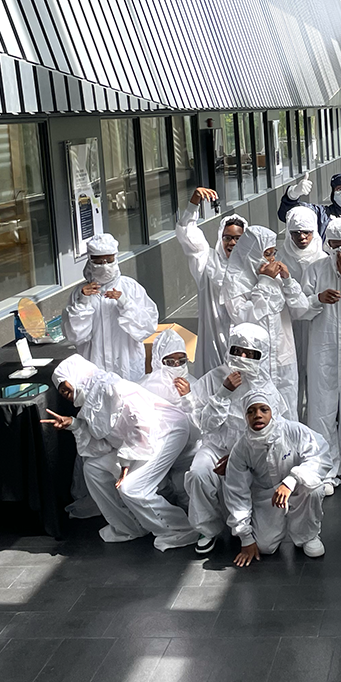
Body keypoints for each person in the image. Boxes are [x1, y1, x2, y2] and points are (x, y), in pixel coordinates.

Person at [45, 355, 199, 551]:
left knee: (132, 488)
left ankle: (180, 529)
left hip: (166, 431)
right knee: (93, 468)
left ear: (77, 376)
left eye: (66, 386)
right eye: (61, 391)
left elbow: (143, 424)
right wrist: (74, 424)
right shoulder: (90, 402)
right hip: (140, 441)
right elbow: (102, 442)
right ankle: (130, 526)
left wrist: (126, 462)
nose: (65, 393)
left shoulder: (114, 388)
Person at [183, 323, 289, 554]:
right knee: (199, 473)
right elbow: (204, 424)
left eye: (249, 353)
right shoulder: (215, 377)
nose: (242, 357)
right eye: (238, 350)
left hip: (253, 453)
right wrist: (223, 392)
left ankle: (249, 521)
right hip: (216, 447)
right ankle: (208, 528)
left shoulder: (265, 385)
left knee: (267, 544)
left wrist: (237, 457)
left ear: (260, 355)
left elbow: (274, 430)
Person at [296, 218, 341, 492]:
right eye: (335, 246)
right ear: (326, 244)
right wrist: (317, 299)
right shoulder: (314, 270)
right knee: (321, 407)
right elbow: (300, 308)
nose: (340, 253)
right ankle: (323, 466)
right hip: (321, 352)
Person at [226, 389, 331, 566]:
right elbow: (236, 492)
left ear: (273, 411)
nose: (257, 415)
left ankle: (308, 534)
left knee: (314, 487)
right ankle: (279, 523)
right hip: (267, 496)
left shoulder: (293, 430)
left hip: (297, 487)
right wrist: (245, 537)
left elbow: (320, 457)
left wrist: (291, 480)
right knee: (265, 547)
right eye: (251, 411)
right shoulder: (242, 447)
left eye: (263, 409)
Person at [221, 225, 310, 416]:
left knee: (287, 412)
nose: (271, 259)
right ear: (252, 253)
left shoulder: (276, 278)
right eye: (267, 253)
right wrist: (265, 282)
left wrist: (287, 281)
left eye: (273, 253)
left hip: (283, 357)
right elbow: (247, 319)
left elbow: (301, 309)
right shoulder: (235, 283)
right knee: (259, 412)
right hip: (255, 362)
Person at [61, 233, 159, 380]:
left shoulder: (130, 287)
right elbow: (75, 335)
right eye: (98, 261)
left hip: (127, 366)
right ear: (90, 261)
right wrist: (83, 302)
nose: (104, 266)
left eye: (109, 260)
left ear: (116, 258)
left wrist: (125, 303)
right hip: (94, 365)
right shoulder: (80, 293)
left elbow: (147, 327)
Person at [175, 187, 247, 377]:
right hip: (213, 345)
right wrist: (194, 203)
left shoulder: (252, 268)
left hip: (243, 347)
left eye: (238, 238)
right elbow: (187, 234)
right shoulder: (207, 264)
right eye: (227, 238)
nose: (232, 243)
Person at [137, 328, 201, 508]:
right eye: (170, 361)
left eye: (181, 360)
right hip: (156, 451)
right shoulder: (145, 387)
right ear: (159, 360)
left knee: (186, 489)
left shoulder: (195, 385)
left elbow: (202, 427)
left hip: (187, 453)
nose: (176, 366)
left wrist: (188, 398)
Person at [279, 206, 327, 419]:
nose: (302, 237)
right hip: (287, 326)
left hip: (318, 325)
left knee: (318, 376)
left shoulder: (323, 259)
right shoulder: (280, 260)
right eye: (296, 232)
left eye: (307, 232)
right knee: (290, 377)